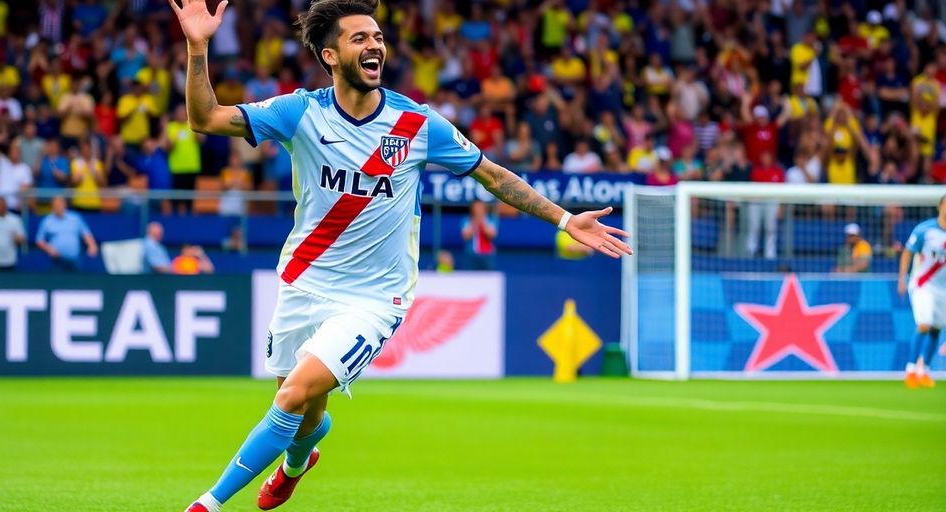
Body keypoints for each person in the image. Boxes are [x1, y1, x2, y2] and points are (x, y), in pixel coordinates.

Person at [170, 2, 631, 511]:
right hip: (302, 280)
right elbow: (205, 119)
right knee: (303, 412)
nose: (375, 46)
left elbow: (494, 176)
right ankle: (297, 463)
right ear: (329, 55)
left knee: (292, 397)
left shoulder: (416, 123)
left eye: (378, 37)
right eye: (359, 39)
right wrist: (198, 46)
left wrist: (566, 220)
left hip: (373, 299)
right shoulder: (300, 112)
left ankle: (207, 504)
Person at [898, 195, 946, 389]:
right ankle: (910, 370)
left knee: (937, 328)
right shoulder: (924, 230)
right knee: (924, 324)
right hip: (922, 285)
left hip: (943, 289)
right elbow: (908, 251)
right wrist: (902, 277)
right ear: (940, 206)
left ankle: (923, 369)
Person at [35, 196, 98, 272]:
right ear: (52, 206)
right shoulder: (47, 220)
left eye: (60, 204)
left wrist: (92, 245)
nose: (58, 207)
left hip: (75, 259)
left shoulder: (75, 218)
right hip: (55, 260)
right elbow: (39, 240)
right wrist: (49, 249)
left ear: (65, 205)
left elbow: (86, 233)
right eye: (55, 205)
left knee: (77, 281)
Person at [0, 135, 33, 212]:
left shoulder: (25, 168)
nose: (15, 153)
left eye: (17, 151)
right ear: (9, 151)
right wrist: (3, 138)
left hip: (14, 207)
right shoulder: (2, 162)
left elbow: (25, 188)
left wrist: (20, 203)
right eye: (13, 150)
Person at [461, 200, 498, 270]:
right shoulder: (466, 220)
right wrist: (475, 222)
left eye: (480, 207)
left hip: (487, 256)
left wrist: (482, 221)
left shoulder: (491, 219)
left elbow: (492, 235)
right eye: (476, 208)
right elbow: (466, 236)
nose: (478, 210)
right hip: (471, 255)